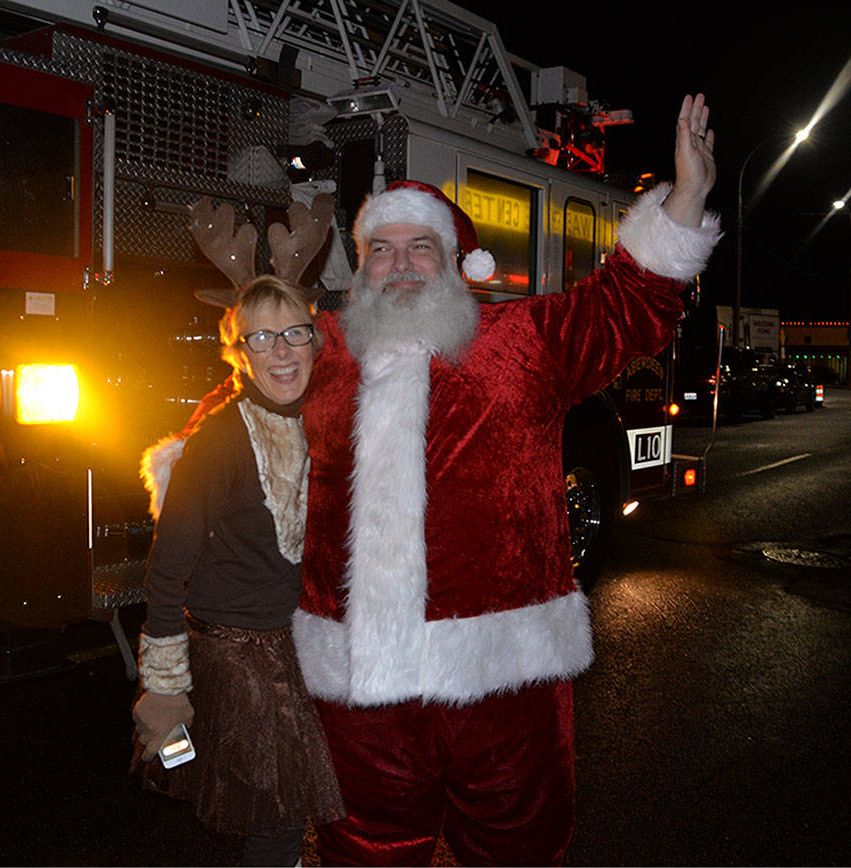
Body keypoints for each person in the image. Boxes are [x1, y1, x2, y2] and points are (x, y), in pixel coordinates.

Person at [290, 94, 722, 865]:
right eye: (380, 250)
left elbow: (627, 305)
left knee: (516, 846)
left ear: (458, 263)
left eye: (419, 247)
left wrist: (685, 197)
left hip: (502, 678)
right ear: (360, 268)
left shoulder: (522, 342)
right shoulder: (319, 352)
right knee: (364, 847)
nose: (399, 264)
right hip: (357, 681)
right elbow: (239, 414)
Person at [132, 276, 344, 868]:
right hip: (238, 658)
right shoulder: (221, 436)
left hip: (287, 645)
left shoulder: (320, 421)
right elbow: (168, 564)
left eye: (294, 332)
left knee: (277, 815)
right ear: (239, 353)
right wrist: (167, 682)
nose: (281, 350)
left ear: (315, 340)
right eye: (262, 337)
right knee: (278, 819)